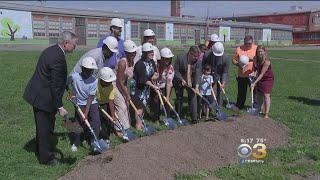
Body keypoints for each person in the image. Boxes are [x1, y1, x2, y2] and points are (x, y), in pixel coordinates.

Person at [23, 31, 78, 165]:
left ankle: (41, 150)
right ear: (66, 43)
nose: (75, 47)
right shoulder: (58, 57)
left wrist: (67, 91)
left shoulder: (52, 50)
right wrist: (60, 107)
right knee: (45, 128)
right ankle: (46, 159)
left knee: (43, 127)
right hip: (43, 97)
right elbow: (54, 84)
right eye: (74, 44)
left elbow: (58, 79)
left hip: (39, 94)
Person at [68, 57, 99, 152]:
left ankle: (94, 141)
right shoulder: (74, 77)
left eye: (92, 70)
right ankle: (76, 141)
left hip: (91, 102)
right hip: (79, 102)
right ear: (83, 69)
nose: (90, 72)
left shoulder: (94, 80)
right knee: (77, 122)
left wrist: (86, 112)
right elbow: (65, 83)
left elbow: (90, 97)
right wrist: (70, 93)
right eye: (89, 70)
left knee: (96, 121)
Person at [130, 42, 159, 129]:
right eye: (149, 52)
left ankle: (140, 122)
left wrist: (155, 75)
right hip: (138, 88)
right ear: (145, 53)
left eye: (152, 51)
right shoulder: (140, 64)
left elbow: (155, 72)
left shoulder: (151, 62)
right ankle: (138, 125)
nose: (152, 53)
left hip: (146, 88)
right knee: (139, 107)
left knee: (144, 105)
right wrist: (154, 87)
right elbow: (144, 79)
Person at [114, 40, 137, 134]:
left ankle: (126, 128)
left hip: (122, 85)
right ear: (126, 53)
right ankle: (118, 130)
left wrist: (126, 92)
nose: (134, 54)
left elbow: (125, 80)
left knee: (127, 105)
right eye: (131, 53)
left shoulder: (131, 62)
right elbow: (119, 81)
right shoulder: (122, 63)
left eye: (134, 52)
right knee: (122, 106)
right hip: (114, 85)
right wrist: (126, 94)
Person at [173, 46, 202, 124]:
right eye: (195, 56)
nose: (196, 58)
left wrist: (196, 87)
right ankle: (178, 115)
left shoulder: (198, 62)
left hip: (191, 80)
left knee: (193, 96)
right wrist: (181, 79)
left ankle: (194, 118)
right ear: (190, 54)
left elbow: (198, 75)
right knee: (179, 97)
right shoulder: (180, 58)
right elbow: (175, 71)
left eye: (198, 56)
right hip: (179, 80)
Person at [149, 47, 175, 123]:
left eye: (169, 58)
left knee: (166, 102)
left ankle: (167, 118)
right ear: (162, 58)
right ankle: (156, 118)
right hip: (155, 86)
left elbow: (169, 83)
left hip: (165, 86)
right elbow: (151, 77)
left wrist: (167, 96)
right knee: (156, 102)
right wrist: (154, 85)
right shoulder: (155, 65)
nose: (168, 60)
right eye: (166, 59)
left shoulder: (170, 68)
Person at [232, 35, 257, 110]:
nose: (248, 45)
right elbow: (233, 60)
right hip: (242, 75)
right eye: (246, 43)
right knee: (241, 92)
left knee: (255, 91)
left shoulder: (256, 48)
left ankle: (256, 106)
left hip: (253, 74)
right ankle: (239, 105)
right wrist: (238, 64)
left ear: (252, 42)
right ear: (244, 42)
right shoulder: (239, 49)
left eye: (250, 43)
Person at [203, 42, 229, 107]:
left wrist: (223, 83)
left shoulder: (225, 57)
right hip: (209, 74)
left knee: (220, 90)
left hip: (220, 74)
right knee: (210, 90)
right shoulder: (207, 55)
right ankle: (211, 104)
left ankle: (219, 106)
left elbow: (225, 72)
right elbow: (203, 65)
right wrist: (207, 74)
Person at [251, 45, 274, 118]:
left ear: (264, 52)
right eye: (258, 52)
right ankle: (259, 110)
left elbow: (261, 74)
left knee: (266, 95)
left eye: (261, 51)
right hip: (259, 78)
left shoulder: (267, 61)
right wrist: (253, 73)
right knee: (259, 95)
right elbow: (255, 69)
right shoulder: (255, 58)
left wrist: (254, 83)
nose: (260, 53)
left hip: (267, 79)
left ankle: (266, 114)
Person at [96, 67, 117, 140]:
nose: (110, 83)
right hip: (95, 103)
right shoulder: (95, 84)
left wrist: (113, 116)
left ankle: (106, 135)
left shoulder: (111, 87)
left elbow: (111, 102)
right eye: (108, 81)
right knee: (96, 120)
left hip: (106, 102)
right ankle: (94, 135)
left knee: (106, 119)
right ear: (101, 80)